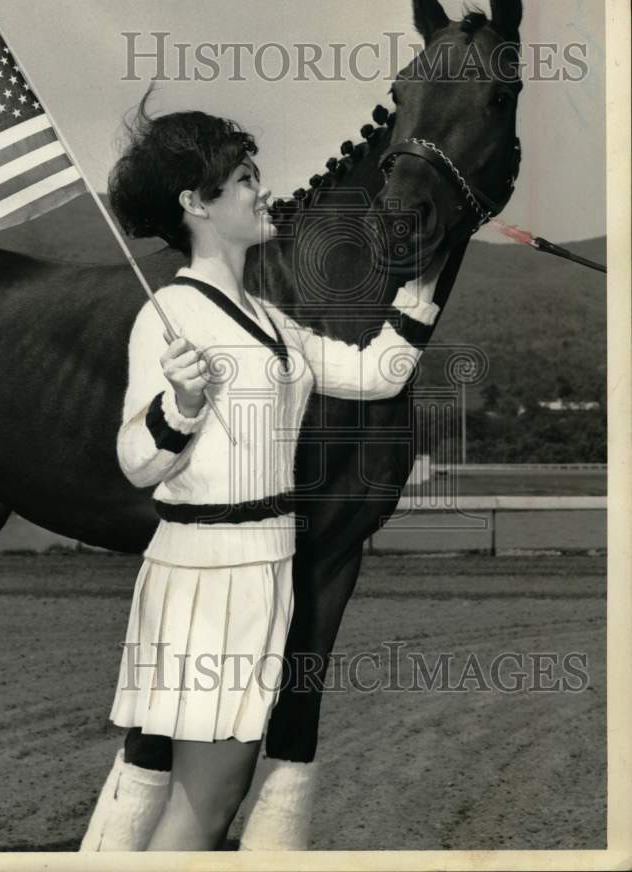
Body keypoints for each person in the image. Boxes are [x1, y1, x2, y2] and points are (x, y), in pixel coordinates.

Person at [81, 93, 447, 852]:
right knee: (207, 807)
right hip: (209, 579)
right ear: (197, 205)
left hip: (261, 571)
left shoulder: (272, 320)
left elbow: (375, 373)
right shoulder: (170, 314)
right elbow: (136, 462)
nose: (261, 188)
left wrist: (427, 285)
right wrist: (178, 406)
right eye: (244, 178)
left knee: (211, 799)